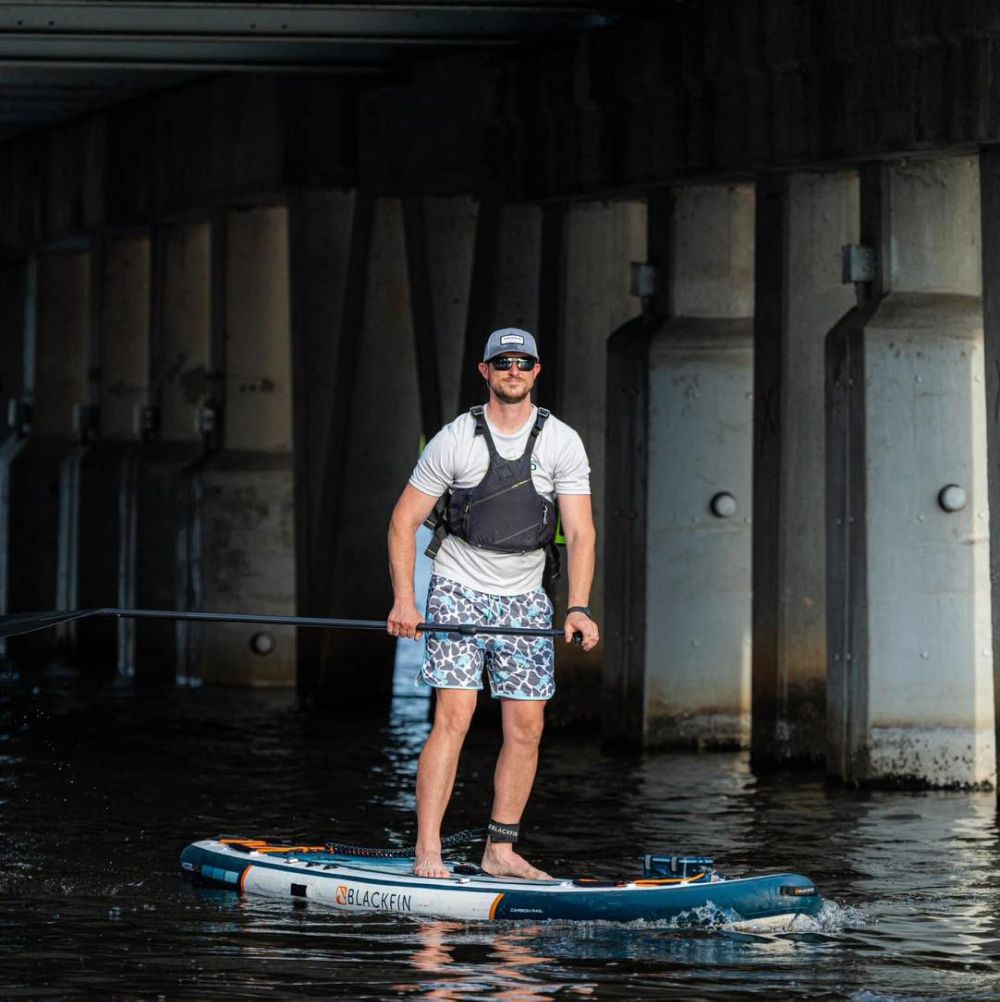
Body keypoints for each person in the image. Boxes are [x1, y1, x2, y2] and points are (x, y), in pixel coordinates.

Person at [387, 327, 599, 880]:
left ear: (536, 371)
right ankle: (427, 849)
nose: (513, 371)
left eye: (523, 363)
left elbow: (579, 533)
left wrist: (577, 606)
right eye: (502, 362)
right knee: (453, 717)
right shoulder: (454, 439)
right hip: (458, 585)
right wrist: (405, 601)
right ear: (485, 371)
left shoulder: (561, 442)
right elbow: (402, 522)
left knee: (526, 727)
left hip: (526, 595)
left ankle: (499, 851)